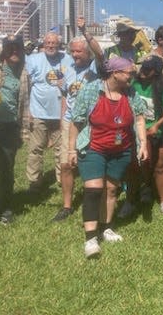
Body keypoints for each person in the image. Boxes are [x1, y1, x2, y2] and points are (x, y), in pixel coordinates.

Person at [68, 57, 148, 258]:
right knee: (94, 189)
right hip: (94, 147)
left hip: (121, 150)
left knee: (112, 189)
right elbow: (76, 121)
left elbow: (139, 118)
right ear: (115, 73)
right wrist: (71, 150)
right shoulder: (91, 90)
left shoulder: (130, 93)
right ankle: (91, 238)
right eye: (129, 72)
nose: (132, 76)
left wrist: (143, 143)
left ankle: (106, 227)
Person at [121, 56, 163, 217]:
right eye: (143, 67)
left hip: (157, 134)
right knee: (135, 168)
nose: (143, 71)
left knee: (160, 167)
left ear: (156, 72)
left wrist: (157, 125)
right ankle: (131, 200)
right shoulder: (133, 85)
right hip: (136, 133)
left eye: (147, 69)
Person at [53, 35, 99, 222]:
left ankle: (95, 200)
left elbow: (100, 53)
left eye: (79, 51)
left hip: (91, 122)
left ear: (87, 52)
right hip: (70, 121)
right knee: (65, 164)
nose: (74, 54)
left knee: (92, 163)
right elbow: (65, 96)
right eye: (72, 51)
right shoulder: (67, 69)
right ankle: (67, 206)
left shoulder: (94, 68)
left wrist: (85, 32)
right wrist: (61, 119)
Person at [25, 31, 72, 194]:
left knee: (61, 149)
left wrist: (65, 82)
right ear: (43, 45)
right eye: (48, 43)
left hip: (61, 113)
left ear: (59, 45)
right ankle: (34, 181)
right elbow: (25, 82)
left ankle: (61, 179)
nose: (51, 46)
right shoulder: (33, 59)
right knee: (36, 148)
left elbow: (75, 80)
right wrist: (28, 111)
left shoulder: (67, 58)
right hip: (38, 112)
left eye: (54, 43)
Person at [0, 36, 28, 224]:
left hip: (10, 128)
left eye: (17, 48)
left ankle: (5, 207)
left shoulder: (25, 72)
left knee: (7, 169)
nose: (14, 51)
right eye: (10, 48)